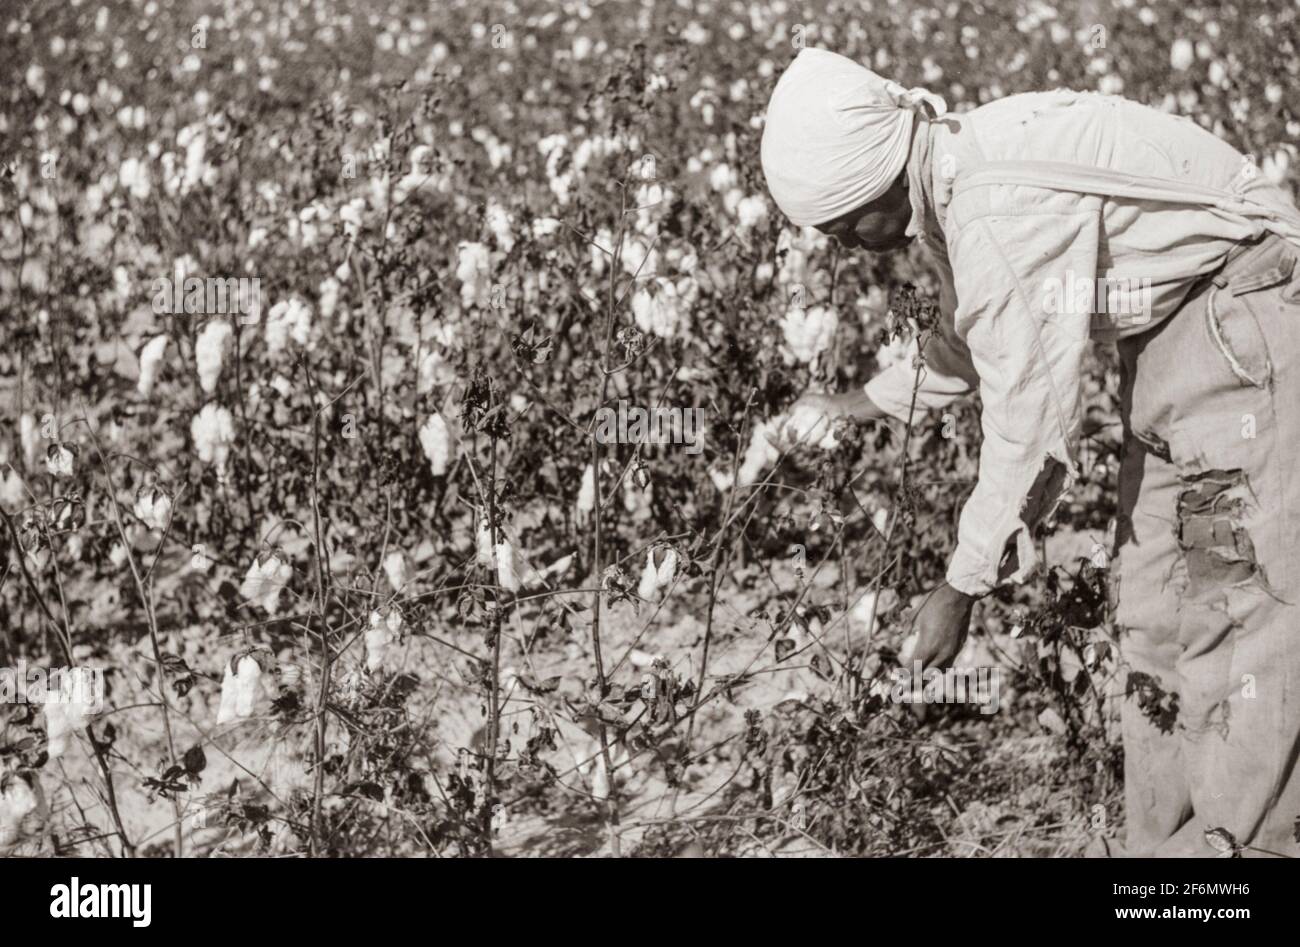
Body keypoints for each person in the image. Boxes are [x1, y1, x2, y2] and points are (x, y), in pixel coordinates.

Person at [760, 47, 1300, 857]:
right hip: (1167, 341)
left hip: (1240, 315)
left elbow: (1030, 426)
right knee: (1154, 618)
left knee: (1233, 613)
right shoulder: (951, 177)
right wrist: (857, 404)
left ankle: (1236, 871)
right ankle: (1165, 863)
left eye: (839, 226)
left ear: (873, 183)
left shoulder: (994, 205)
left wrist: (961, 586)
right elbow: (967, 342)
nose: (842, 246)